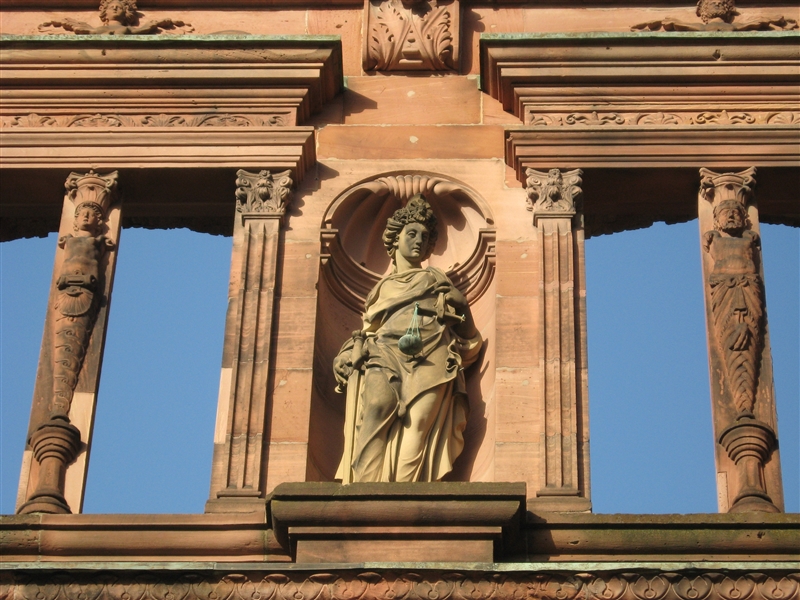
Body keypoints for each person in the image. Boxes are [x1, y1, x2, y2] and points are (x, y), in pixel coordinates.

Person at [334, 195, 482, 482]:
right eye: (412, 234)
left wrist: (462, 306)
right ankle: (365, 489)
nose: (419, 241)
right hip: (385, 352)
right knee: (376, 407)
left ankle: (407, 491)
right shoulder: (381, 289)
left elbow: (469, 342)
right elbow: (367, 332)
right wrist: (344, 356)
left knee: (419, 425)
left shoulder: (437, 280)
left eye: (425, 237)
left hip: (432, 353)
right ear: (395, 239)